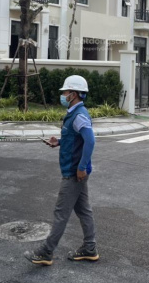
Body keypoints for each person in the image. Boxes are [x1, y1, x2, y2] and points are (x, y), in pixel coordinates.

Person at [25, 75, 99, 265]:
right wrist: (58, 142)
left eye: (65, 92)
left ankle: (46, 252)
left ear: (73, 94)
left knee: (61, 213)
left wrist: (81, 167)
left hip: (74, 173)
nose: (63, 95)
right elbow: (75, 139)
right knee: (84, 210)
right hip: (76, 171)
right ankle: (89, 248)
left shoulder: (79, 115)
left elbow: (90, 141)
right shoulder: (74, 113)